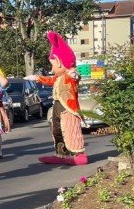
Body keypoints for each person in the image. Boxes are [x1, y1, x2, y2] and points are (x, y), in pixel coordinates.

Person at [26, 31, 88, 165]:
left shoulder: (70, 75)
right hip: (57, 106)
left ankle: (79, 155)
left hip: (68, 108)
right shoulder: (59, 77)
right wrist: (37, 78)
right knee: (57, 130)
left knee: (70, 129)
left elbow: (75, 77)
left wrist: (73, 73)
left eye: (53, 65)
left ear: (60, 63)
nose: (52, 68)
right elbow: (50, 80)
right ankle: (61, 154)